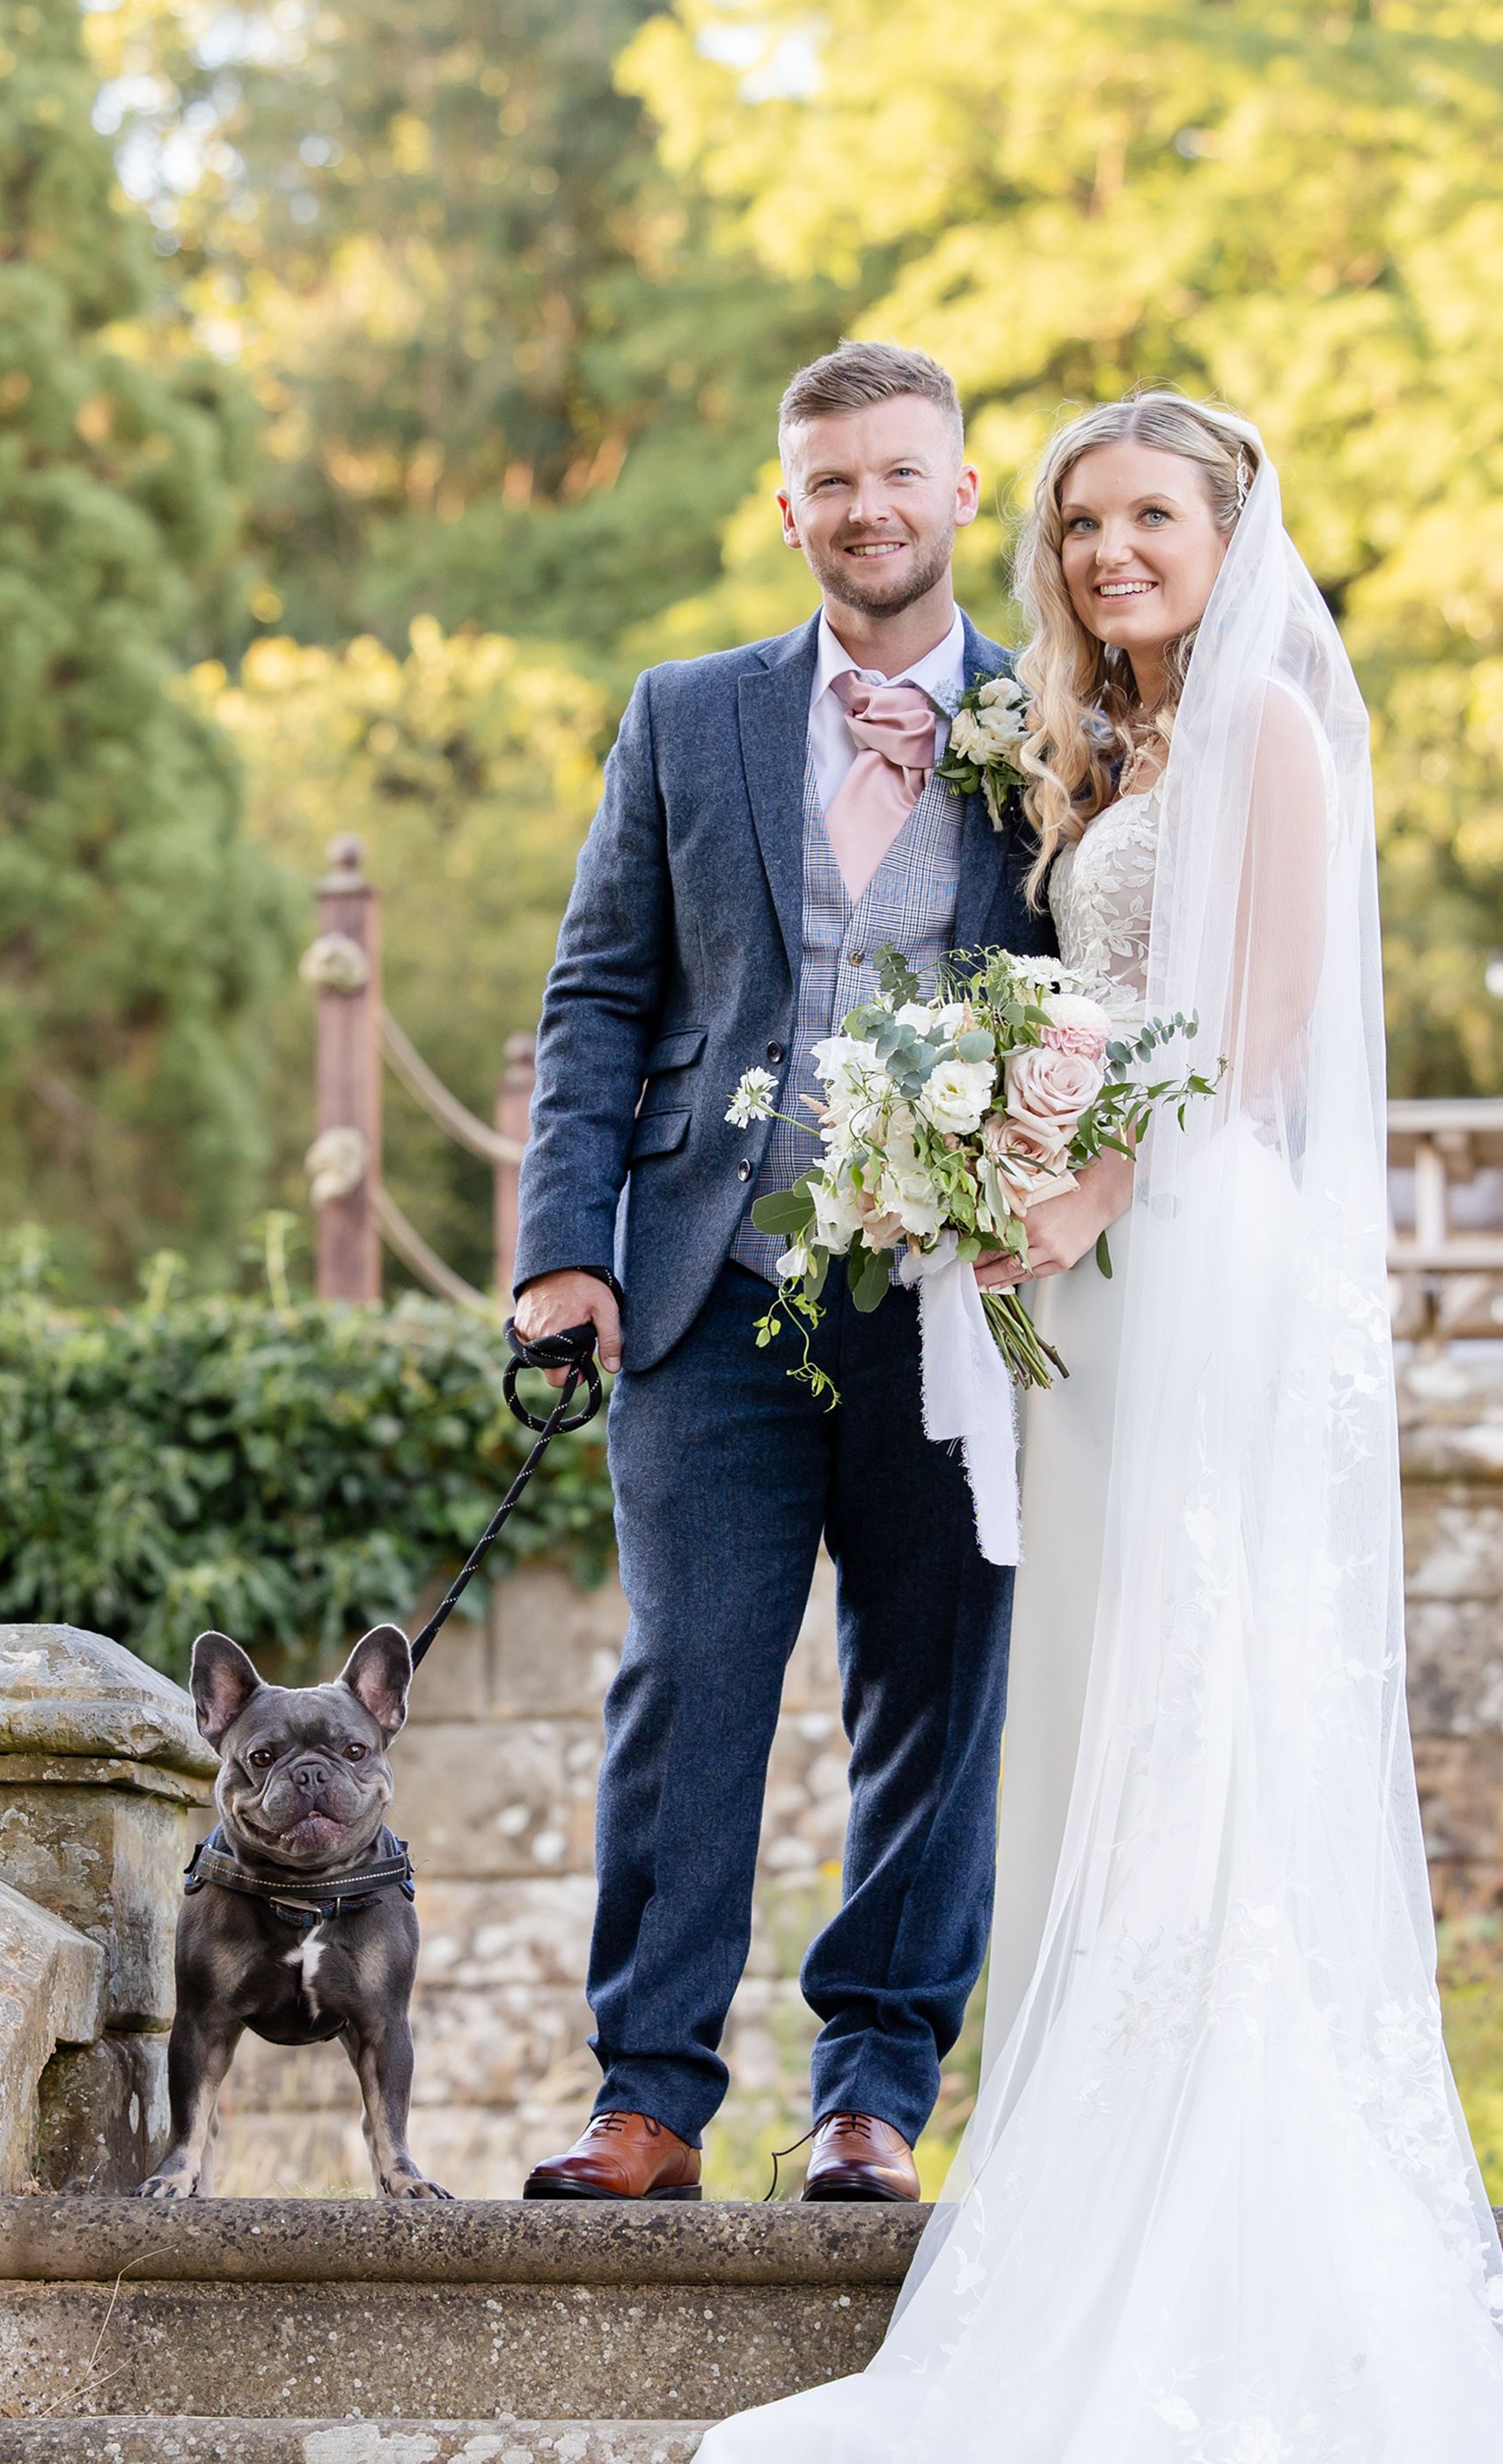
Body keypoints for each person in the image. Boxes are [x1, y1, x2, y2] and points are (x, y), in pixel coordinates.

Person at [697, 396, 1503, 2459]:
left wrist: (1076, 1178)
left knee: (1211, 1718)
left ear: (1229, 530)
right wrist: (993, 1157)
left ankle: (1226, 2231)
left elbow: (1258, 1036)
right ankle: (1092, 2157)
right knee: (1102, 1723)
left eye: (1150, 517)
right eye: (1085, 521)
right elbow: (1074, 993)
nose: (1110, 551)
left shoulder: (1270, 729)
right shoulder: (1107, 751)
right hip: (1088, 1284)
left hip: (1198, 1267)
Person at [506, 342, 1059, 2205]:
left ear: (965, 491)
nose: (868, 508)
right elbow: (598, 991)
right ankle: (648, 2092)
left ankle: (871, 2092)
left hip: (950, 1304)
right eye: (831, 479)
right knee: (688, 1686)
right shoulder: (688, 712)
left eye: (902, 472)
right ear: (785, 505)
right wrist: (562, 1251)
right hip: (705, 1288)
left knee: (934, 1693)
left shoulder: (1056, 719)